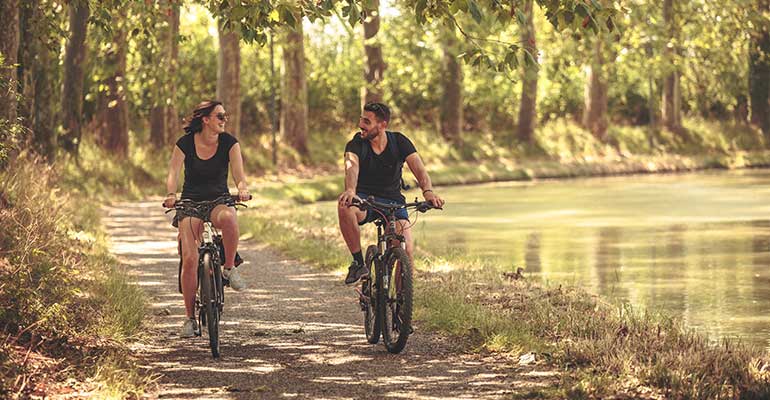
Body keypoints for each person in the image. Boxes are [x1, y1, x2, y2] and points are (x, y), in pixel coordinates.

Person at [163, 100, 250, 337]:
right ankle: (190, 319)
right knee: (190, 259)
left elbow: (239, 175)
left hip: (218, 200)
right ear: (206, 120)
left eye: (225, 116)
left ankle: (229, 269)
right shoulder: (184, 144)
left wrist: (242, 188)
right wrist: (172, 194)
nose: (224, 120)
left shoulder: (230, 143)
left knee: (230, 219)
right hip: (190, 203)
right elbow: (173, 173)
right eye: (220, 116)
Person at [337, 102, 445, 284]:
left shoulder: (399, 141)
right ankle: (358, 263)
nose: (361, 125)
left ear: (382, 125)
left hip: (394, 202)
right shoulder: (356, 144)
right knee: (345, 207)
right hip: (365, 200)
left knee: (407, 250)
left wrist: (428, 192)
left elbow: (419, 170)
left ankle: (401, 305)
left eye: (367, 121)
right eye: (361, 119)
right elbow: (352, 166)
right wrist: (350, 191)